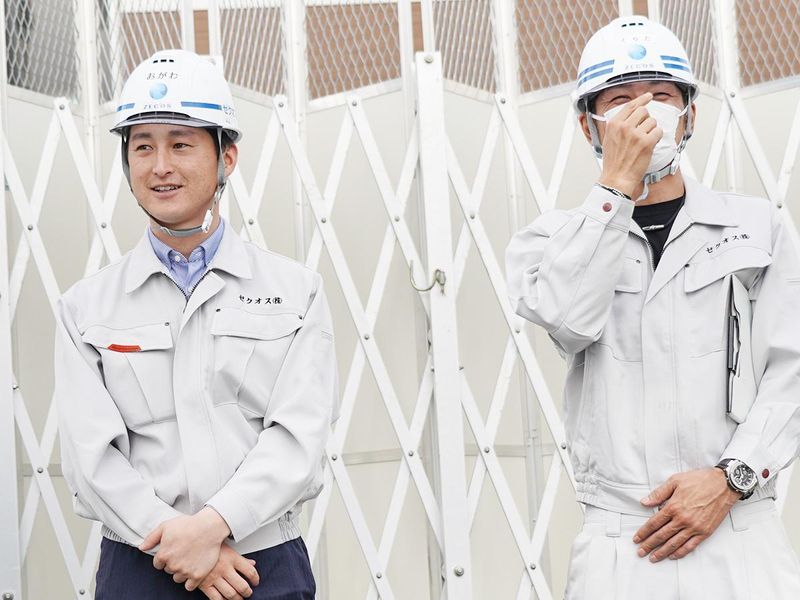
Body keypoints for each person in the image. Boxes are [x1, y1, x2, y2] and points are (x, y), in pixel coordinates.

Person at [505, 16, 800, 599]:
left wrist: (733, 478)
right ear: (590, 125)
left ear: (690, 114)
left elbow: (791, 365)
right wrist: (616, 186)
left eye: (661, 96)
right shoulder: (551, 239)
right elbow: (568, 321)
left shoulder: (756, 226)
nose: (644, 112)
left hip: (740, 527)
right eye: (620, 100)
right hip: (623, 539)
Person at [54, 49, 338, 600]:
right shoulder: (85, 308)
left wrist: (212, 528)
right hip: (139, 565)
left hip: (263, 564)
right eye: (143, 146)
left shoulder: (296, 292)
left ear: (227, 157)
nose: (160, 165)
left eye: (181, 144)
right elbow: (90, 459)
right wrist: (181, 546)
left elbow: (299, 439)